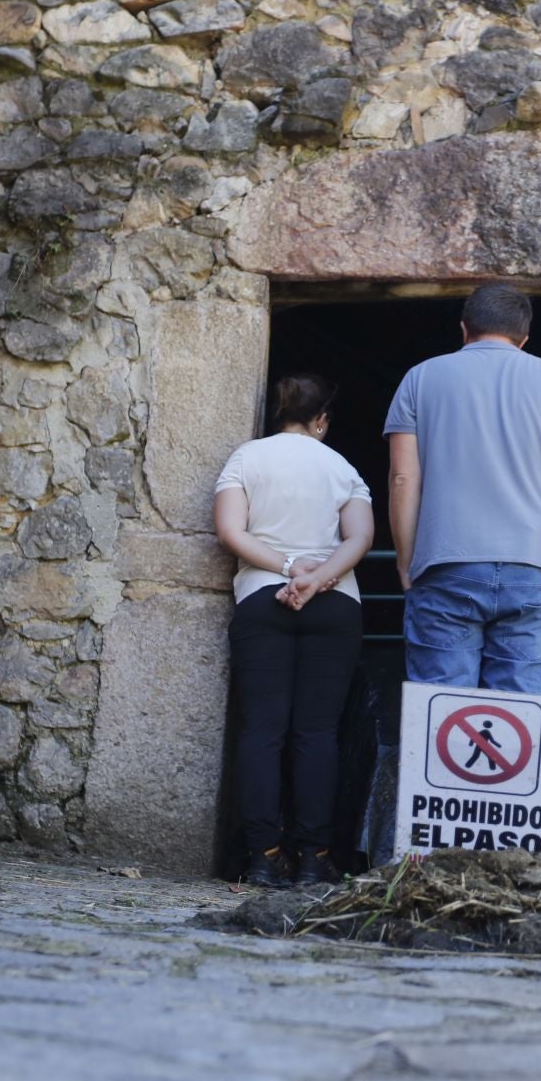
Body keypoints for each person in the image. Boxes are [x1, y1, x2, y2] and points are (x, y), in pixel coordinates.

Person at [384, 284, 541, 694]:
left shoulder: (420, 378)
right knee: (514, 721)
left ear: (463, 329)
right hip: (531, 568)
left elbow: (403, 479)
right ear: (524, 338)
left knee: (442, 711)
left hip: (445, 565)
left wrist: (407, 563)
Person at [214, 373, 373, 888]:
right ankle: (314, 858)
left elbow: (230, 532)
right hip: (335, 604)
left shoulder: (245, 458)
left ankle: (263, 856)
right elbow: (361, 538)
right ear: (322, 419)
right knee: (318, 733)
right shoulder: (342, 467)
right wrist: (317, 577)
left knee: (262, 730)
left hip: (264, 598)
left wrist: (286, 569)